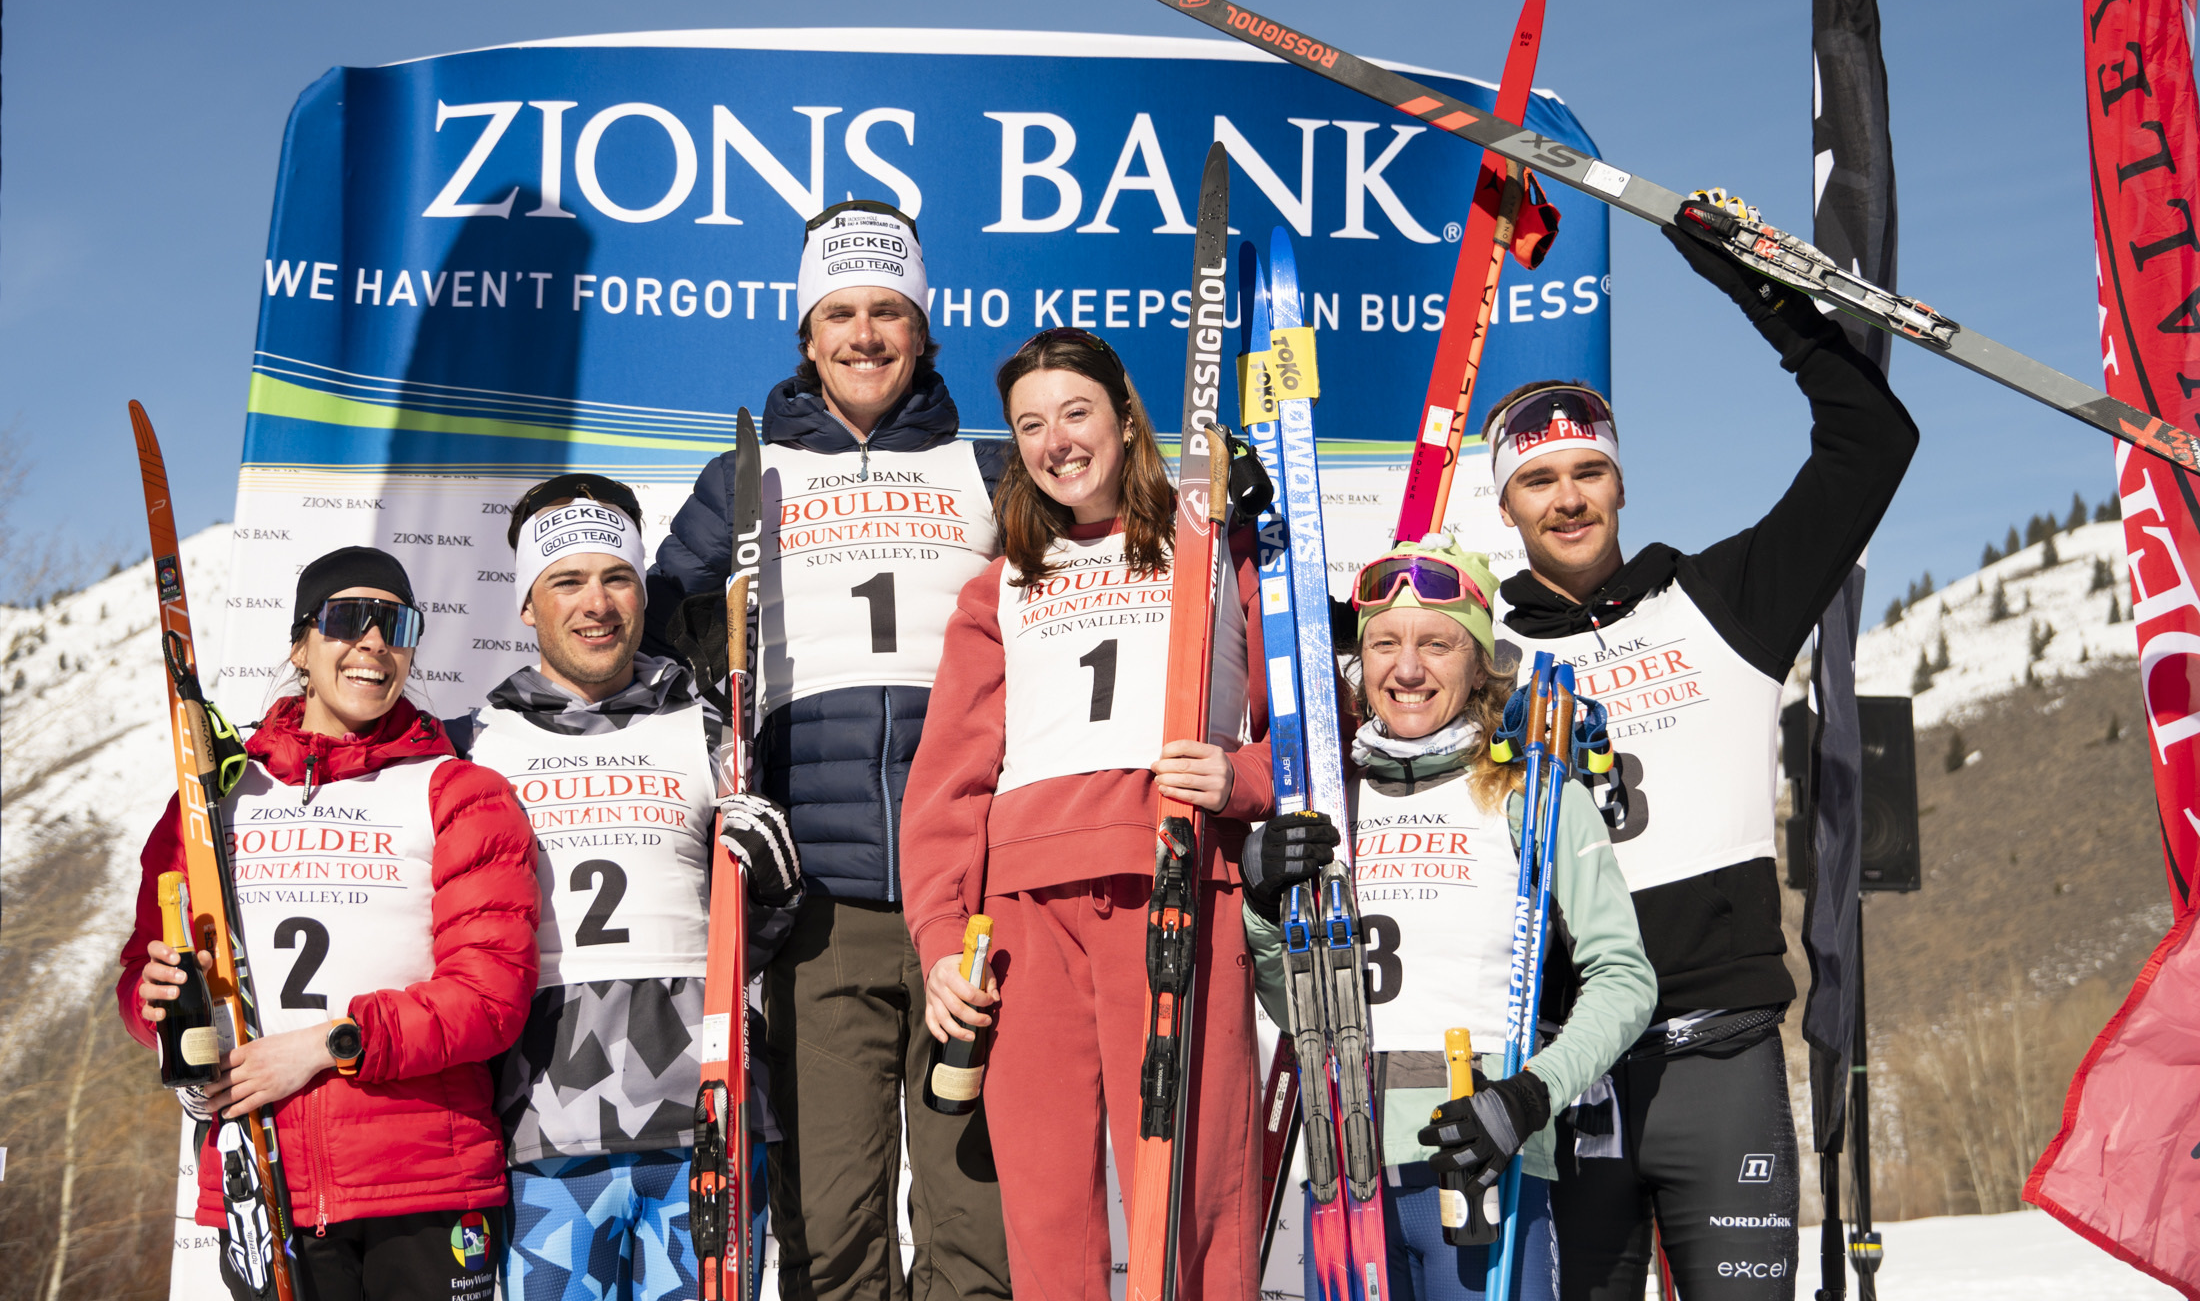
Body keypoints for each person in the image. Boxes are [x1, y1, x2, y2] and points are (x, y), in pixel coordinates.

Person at [1481, 205, 1919, 1300]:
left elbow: (1873, 444)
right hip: (1561, 1069)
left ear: (1622, 482)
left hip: (1718, 1057)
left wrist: (1757, 288)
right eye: (1539, 480)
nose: (1568, 499)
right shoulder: (1475, 655)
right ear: (1506, 507)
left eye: (1588, 471)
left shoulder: (1722, 602)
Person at [645, 202, 1013, 1301]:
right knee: (831, 1234)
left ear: (923, 330)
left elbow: (1118, 583)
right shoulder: (743, 479)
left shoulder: (991, 471)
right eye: (840, 313)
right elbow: (650, 645)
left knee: (977, 1235)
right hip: (818, 913)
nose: (864, 335)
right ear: (806, 334)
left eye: (888, 312)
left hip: (973, 899)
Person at [900, 328, 1275, 1301]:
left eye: (1075, 413)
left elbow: (1317, 722)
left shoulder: (1217, 551)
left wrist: (1242, 778)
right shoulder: (999, 587)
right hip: (1025, 917)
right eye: (1030, 425)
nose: (1055, 441)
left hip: (1175, 882)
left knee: (1191, 1201)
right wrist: (941, 938)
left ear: (1126, 420)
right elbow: (947, 785)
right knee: (1047, 1215)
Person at [1238, 536, 1656, 1301]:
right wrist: (1265, 908)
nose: (1407, 669)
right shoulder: (1330, 804)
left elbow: (1625, 978)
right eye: (1385, 644)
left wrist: (1529, 1097)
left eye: (1437, 644)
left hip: (1482, 1160)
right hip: (1344, 1165)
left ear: (1480, 662)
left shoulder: (1534, 794)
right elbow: (1295, 1007)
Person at [119, 546, 539, 1301]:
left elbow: (489, 996)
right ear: (300, 646)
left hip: (424, 1182)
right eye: (349, 619)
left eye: (396, 625)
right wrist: (152, 1003)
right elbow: (139, 975)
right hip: (264, 1176)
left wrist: (323, 1047)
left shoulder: (459, 792)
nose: (374, 642)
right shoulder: (215, 799)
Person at [452, 473, 803, 1301]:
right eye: (566, 581)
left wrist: (774, 889)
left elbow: (750, 939)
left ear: (642, 593)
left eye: (616, 578)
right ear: (527, 603)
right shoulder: (472, 746)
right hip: (542, 1129)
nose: (596, 603)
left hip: (704, 1122)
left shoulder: (710, 726)